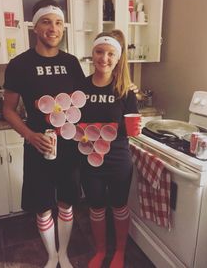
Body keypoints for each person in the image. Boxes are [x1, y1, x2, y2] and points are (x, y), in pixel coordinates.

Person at [3, 0, 85, 268]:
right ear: (35, 28)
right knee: (42, 205)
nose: (53, 28)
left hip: (69, 146)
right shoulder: (19, 64)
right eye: (46, 22)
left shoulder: (72, 63)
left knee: (66, 201)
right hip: (38, 145)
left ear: (63, 28)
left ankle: (64, 254)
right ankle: (52, 255)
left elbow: (83, 102)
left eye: (59, 22)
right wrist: (30, 135)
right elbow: (9, 109)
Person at [79, 29, 139, 268]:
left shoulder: (125, 90)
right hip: (89, 159)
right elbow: (73, 122)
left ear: (118, 58)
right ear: (92, 54)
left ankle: (120, 252)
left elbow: (131, 127)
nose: (104, 58)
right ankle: (101, 251)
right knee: (95, 206)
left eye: (110, 54)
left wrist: (136, 127)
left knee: (119, 205)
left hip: (118, 159)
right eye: (99, 52)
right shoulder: (80, 88)